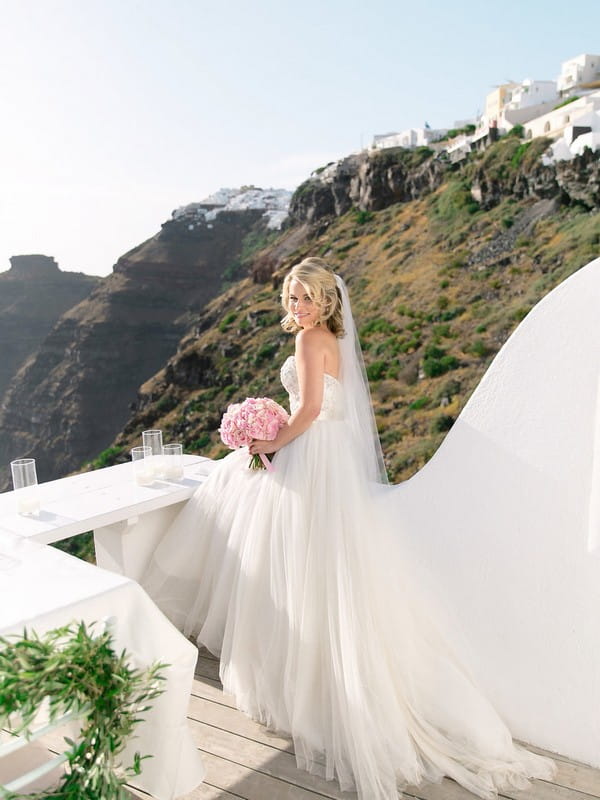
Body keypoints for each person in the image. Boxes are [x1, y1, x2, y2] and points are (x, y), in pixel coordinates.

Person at [141, 257, 557, 799]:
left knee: (292, 559)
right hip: (326, 457)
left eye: (306, 298)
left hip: (310, 453)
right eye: (291, 298)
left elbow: (310, 409)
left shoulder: (310, 340)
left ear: (325, 301)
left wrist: (267, 441)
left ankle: (305, 680)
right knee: (318, 566)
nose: (297, 307)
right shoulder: (328, 338)